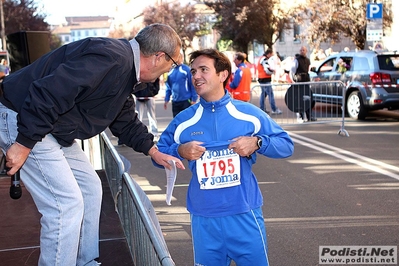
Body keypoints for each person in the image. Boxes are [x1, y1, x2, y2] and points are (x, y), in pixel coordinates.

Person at [0, 23, 185, 266]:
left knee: (89, 187)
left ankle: (84, 261)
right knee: (65, 205)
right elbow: (49, 92)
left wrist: (153, 150)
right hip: (25, 118)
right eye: (171, 64)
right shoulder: (111, 58)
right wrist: (24, 143)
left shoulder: (123, 68)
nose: (168, 71)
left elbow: (124, 118)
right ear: (159, 56)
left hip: (50, 127)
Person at [155, 49, 294, 265]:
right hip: (204, 220)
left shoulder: (248, 114)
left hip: (244, 216)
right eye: (193, 71)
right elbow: (158, 155)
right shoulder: (184, 121)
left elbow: (286, 145)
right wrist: (179, 151)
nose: (196, 76)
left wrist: (257, 143)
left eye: (203, 70)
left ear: (223, 75)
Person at [290, 46, 317, 122]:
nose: (302, 51)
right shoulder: (296, 60)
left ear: (306, 51)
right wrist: (293, 81)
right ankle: (300, 117)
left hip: (306, 81)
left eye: (303, 50)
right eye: (301, 50)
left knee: (308, 99)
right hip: (299, 82)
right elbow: (292, 71)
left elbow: (308, 70)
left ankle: (309, 116)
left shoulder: (308, 60)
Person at [257, 48, 282, 114]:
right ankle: (274, 109)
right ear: (269, 54)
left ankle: (262, 108)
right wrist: (273, 71)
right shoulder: (264, 59)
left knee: (263, 94)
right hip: (265, 79)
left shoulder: (262, 58)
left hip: (262, 78)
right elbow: (267, 69)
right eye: (271, 54)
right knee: (270, 94)